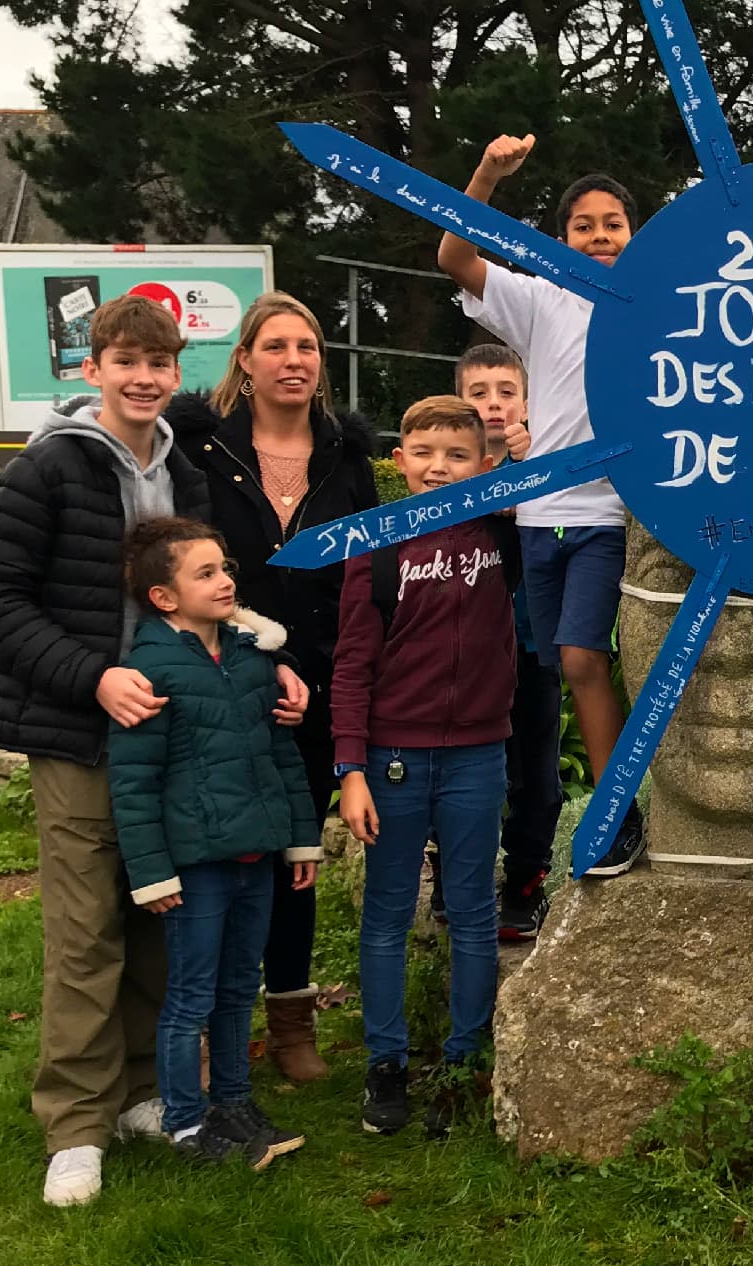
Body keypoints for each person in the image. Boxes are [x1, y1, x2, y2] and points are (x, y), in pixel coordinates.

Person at [0, 294, 300, 1206]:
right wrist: (94, 677)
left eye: (160, 364)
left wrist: (270, 657)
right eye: (127, 363)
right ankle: (75, 1125)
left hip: (177, 733)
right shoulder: (48, 471)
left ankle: (144, 1093)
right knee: (85, 935)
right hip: (79, 733)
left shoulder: (184, 471)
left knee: (164, 918)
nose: (145, 379)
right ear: (93, 371)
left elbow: (209, 595)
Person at [169, 292, 378, 1082]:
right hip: (222, 680)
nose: (295, 360)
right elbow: (181, 565)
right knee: (215, 853)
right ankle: (203, 1023)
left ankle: (291, 1024)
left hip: (319, 691)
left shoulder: (347, 459)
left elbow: (366, 575)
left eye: (310, 347)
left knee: (296, 855)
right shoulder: (200, 450)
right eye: (278, 346)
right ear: (246, 362)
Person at [437, 141, 640, 876]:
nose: (599, 237)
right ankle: (591, 824)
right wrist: (488, 174)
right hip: (538, 511)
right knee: (554, 664)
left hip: (610, 512)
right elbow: (455, 257)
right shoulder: (540, 298)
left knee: (586, 657)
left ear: (633, 235)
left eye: (613, 224)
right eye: (583, 226)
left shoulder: (657, 305)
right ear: (561, 240)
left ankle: (616, 812)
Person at [332, 396, 519, 1138]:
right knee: (385, 916)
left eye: (458, 455)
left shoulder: (507, 534)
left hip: (479, 753)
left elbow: (561, 497)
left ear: (483, 464)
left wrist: (516, 476)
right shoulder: (375, 546)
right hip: (392, 759)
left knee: (473, 914)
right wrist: (351, 768)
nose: (440, 467)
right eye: (425, 453)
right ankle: (386, 1065)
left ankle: (464, 1061)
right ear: (400, 460)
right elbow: (351, 664)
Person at [107, 518, 319, 1168]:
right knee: (192, 996)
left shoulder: (254, 655)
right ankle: (186, 1122)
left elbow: (282, 753)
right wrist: (152, 872)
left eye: (226, 567)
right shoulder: (149, 668)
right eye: (206, 573)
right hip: (195, 867)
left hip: (255, 856)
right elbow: (134, 781)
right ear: (163, 597)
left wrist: (302, 841)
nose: (226, 580)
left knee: (236, 990)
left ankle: (233, 1102)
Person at [453, 342, 566, 938]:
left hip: (530, 641)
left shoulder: (547, 461)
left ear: (527, 401)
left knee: (536, 773)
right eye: (478, 393)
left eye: (505, 392)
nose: (493, 405)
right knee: (467, 767)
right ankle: (456, 878)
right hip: (461, 647)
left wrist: (528, 475)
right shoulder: (446, 466)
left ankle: (524, 884)